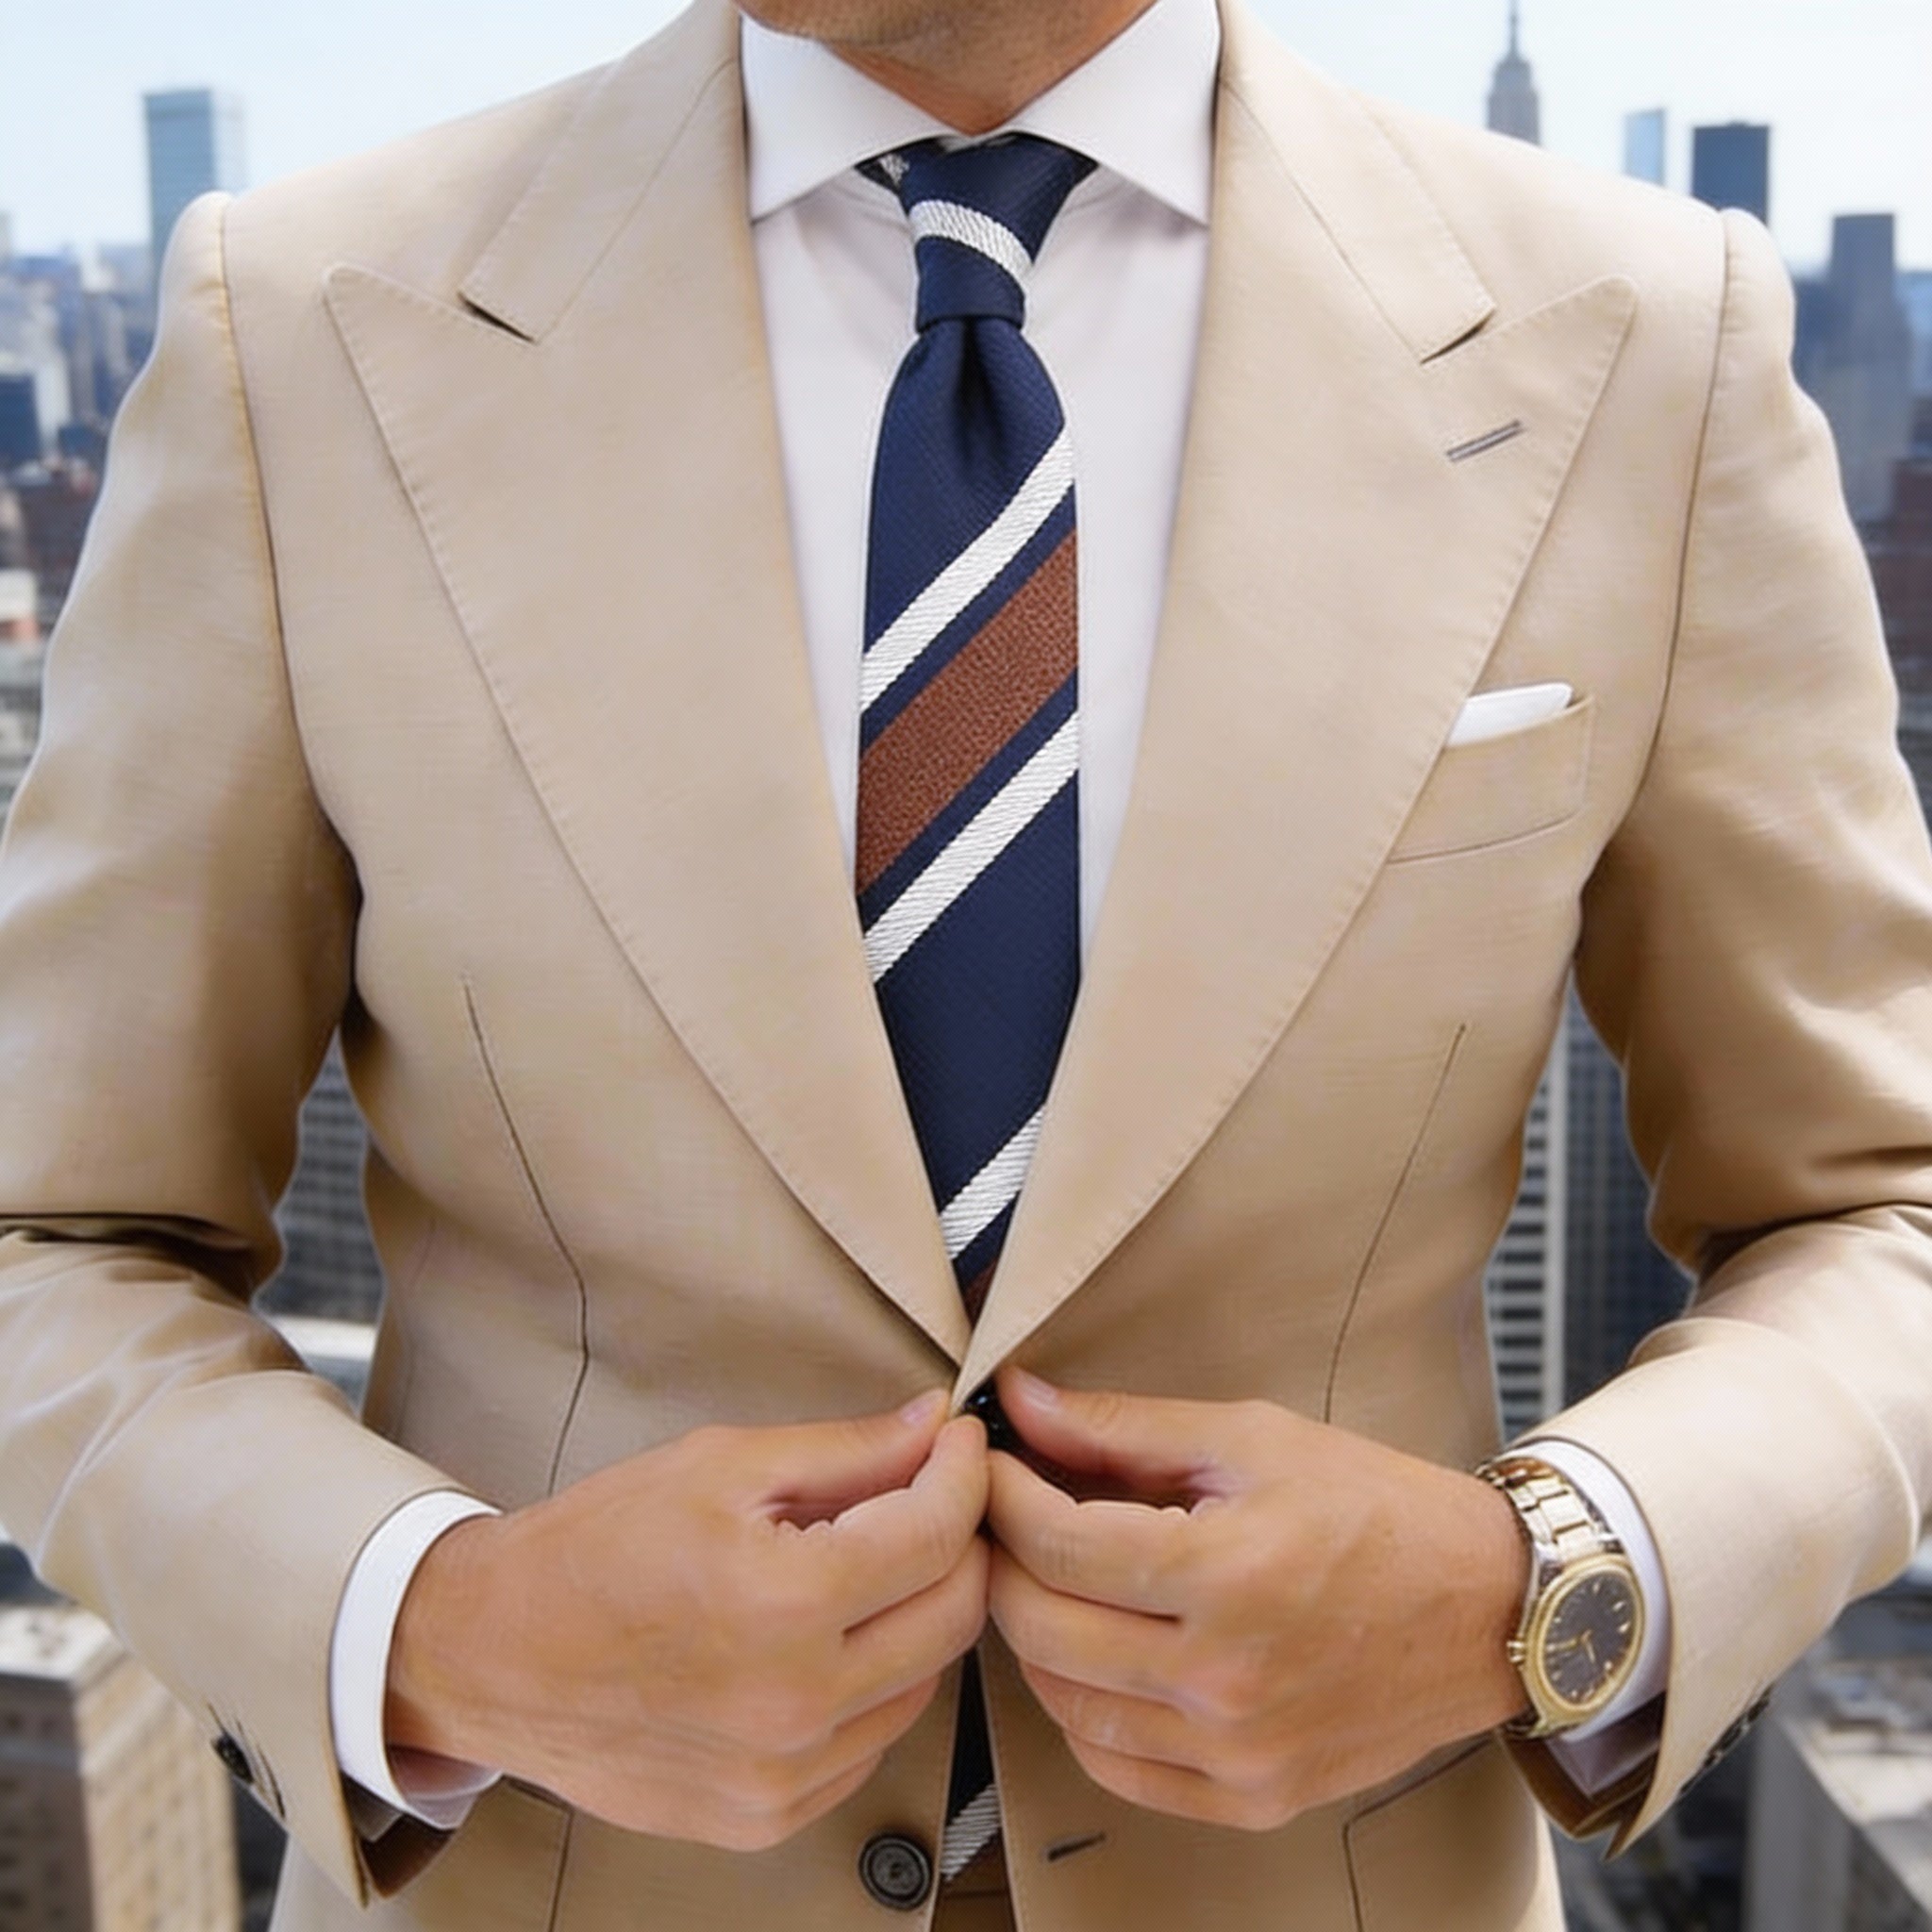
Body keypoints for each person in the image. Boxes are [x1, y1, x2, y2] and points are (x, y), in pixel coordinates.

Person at [1, 0, 1929, 1924]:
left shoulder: (1645, 339)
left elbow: (1881, 1206)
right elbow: (52, 1234)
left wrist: (1537, 1587)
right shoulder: (301, 329)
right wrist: (445, 1629)